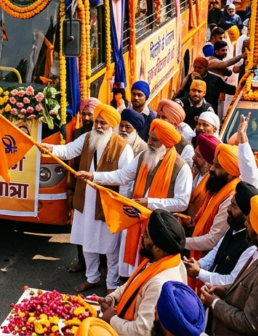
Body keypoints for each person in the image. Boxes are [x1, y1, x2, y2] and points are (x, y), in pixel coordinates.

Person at [79, 119, 192, 278]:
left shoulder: (181, 167)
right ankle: (131, 284)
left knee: (152, 269)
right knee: (133, 263)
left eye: (154, 140)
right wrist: (93, 176)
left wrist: (149, 202)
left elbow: (182, 202)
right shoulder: (144, 156)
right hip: (136, 220)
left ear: (166, 144)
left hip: (159, 228)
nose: (149, 142)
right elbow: (122, 175)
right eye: (149, 137)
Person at [38, 104, 130, 293]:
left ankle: (112, 285)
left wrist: (97, 179)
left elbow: (125, 178)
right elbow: (69, 150)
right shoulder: (88, 137)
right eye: (97, 122)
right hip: (86, 201)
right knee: (87, 242)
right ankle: (92, 278)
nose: (98, 126)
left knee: (110, 248)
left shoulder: (123, 148)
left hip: (107, 205)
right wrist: (51, 148)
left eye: (103, 123)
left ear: (112, 125)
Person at [197, 195, 258, 336]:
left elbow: (250, 324)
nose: (246, 224)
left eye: (250, 221)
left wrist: (214, 302)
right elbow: (247, 287)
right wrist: (223, 290)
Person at [97, 210, 187, 336]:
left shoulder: (159, 284)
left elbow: (142, 331)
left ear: (157, 247)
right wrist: (113, 298)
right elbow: (132, 285)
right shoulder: (162, 260)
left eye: (146, 235)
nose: (141, 237)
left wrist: (111, 319)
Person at [183, 182, 257, 287]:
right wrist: (198, 264)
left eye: (233, 206)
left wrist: (199, 273)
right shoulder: (233, 227)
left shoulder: (251, 246)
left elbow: (231, 280)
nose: (228, 209)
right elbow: (215, 252)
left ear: (246, 214)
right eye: (230, 204)